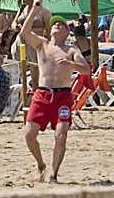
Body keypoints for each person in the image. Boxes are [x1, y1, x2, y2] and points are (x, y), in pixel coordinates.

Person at [22, 13, 90, 183]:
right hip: (43, 93)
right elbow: (24, 32)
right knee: (29, 134)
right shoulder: (42, 44)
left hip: (63, 96)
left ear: (67, 32)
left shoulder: (71, 49)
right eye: (54, 24)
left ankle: (53, 173)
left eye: (61, 24)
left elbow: (86, 69)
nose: (56, 25)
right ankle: (40, 164)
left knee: (61, 135)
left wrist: (72, 64)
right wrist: (34, 10)